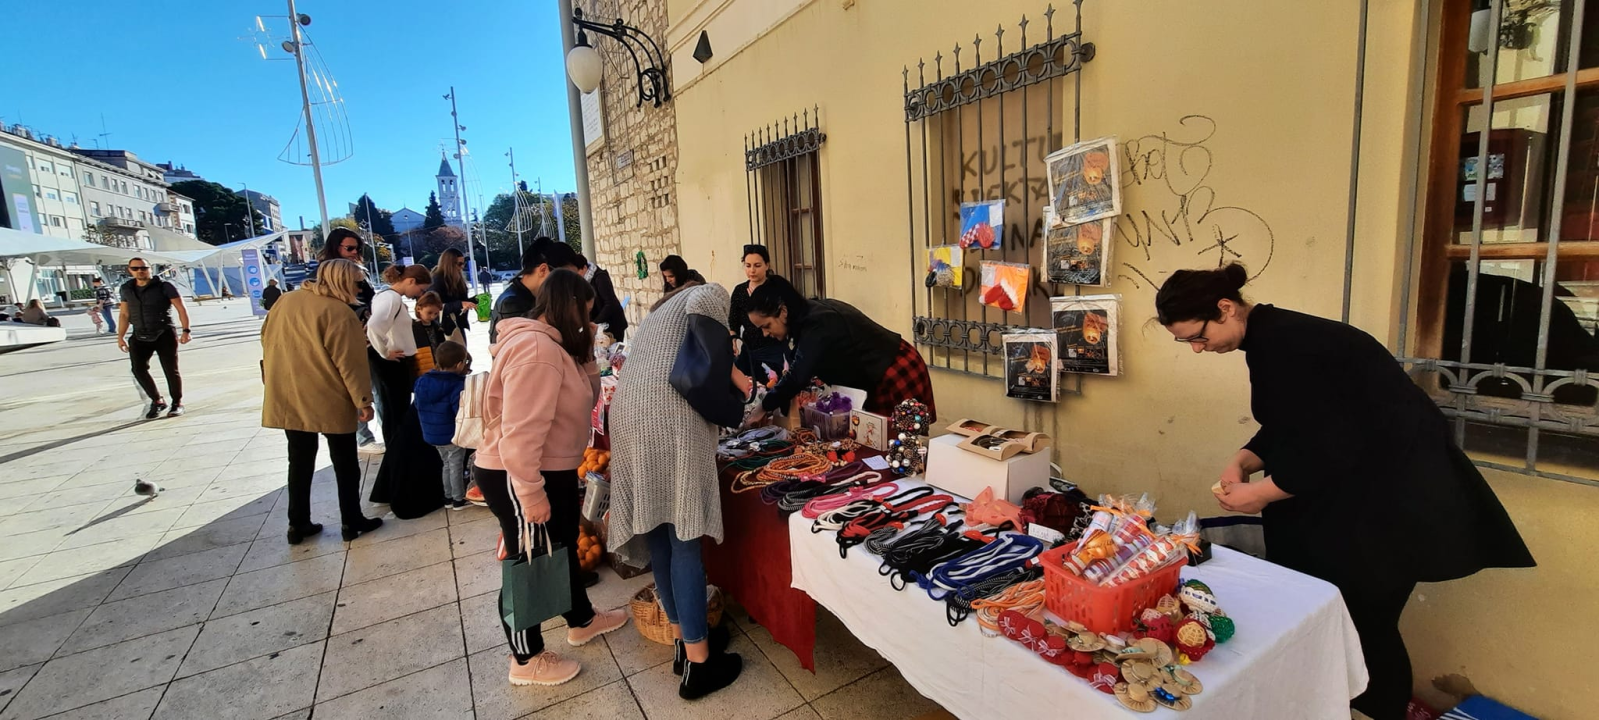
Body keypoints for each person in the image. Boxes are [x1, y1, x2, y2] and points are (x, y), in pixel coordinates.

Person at [1154, 263, 1535, 720]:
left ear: (1225, 308)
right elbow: (1296, 425)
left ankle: (1377, 711)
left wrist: (1262, 494)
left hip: (1392, 508)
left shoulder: (1291, 343)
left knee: (1367, 629)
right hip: (1362, 503)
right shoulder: (1272, 338)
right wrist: (1243, 459)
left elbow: (1338, 445)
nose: (1197, 348)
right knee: (1344, 622)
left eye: (1196, 336)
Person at [472, 269, 628, 686]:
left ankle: (580, 619)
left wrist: (586, 349)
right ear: (569, 307)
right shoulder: (536, 351)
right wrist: (530, 493)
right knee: (530, 560)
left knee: (557, 548)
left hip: (550, 466)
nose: (588, 321)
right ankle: (525, 659)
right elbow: (521, 433)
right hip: (521, 470)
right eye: (586, 312)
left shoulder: (556, 346)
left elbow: (587, 397)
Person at [609, 282, 746, 699]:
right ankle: (701, 666)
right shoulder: (708, 293)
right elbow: (711, 361)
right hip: (669, 421)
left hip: (629, 417)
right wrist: (740, 379)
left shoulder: (656, 318)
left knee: (660, 536)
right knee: (685, 538)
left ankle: (683, 644)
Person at [261, 258, 385, 544]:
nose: (361, 287)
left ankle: (297, 523)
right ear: (344, 281)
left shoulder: (286, 300)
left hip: (289, 391)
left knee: (299, 461)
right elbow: (350, 363)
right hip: (328, 393)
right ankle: (351, 521)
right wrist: (363, 401)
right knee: (344, 462)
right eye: (357, 282)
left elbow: (265, 338)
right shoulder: (339, 312)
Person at [747, 283, 936, 422]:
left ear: (783, 312)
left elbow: (798, 376)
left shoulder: (816, 322)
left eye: (767, 326)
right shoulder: (808, 315)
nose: (765, 333)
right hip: (881, 372)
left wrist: (763, 407)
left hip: (895, 371)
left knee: (898, 442)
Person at [366, 263, 446, 519]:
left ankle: (391, 483)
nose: (417, 295)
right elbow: (374, 327)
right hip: (393, 364)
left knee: (397, 421)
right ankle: (396, 482)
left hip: (396, 362)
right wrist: (384, 352)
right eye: (420, 288)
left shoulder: (388, 297)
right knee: (397, 423)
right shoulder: (390, 298)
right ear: (411, 281)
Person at [317, 228, 382, 451]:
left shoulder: (360, 275)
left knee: (373, 386)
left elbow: (370, 302)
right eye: (350, 248)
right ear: (336, 248)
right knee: (352, 388)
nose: (355, 252)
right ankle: (363, 438)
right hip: (345, 341)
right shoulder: (326, 277)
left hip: (368, 339)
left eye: (358, 248)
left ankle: (378, 433)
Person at [117, 258, 192, 419]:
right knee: (138, 369)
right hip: (139, 334)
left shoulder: (164, 286)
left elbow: (181, 308)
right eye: (135, 268)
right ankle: (157, 401)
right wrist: (120, 336)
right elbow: (124, 313)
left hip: (163, 332)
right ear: (129, 270)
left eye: (143, 268)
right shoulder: (126, 289)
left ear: (150, 269)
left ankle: (177, 403)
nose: (140, 271)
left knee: (170, 369)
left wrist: (186, 330)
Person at [489, 236, 584, 343]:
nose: (568, 288)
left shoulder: (533, 297)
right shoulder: (511, 304)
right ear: (543, 270)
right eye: (564, 280)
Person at [415, 340, 473, 510]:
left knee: (446, 464)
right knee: (455, 464)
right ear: (460, 364)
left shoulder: (422, 381)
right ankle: (458, 499)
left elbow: (418, 405)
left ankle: (448, 497)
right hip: (451, 433)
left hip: (431, 433)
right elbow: (459, 411)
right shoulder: (456, 385)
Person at [727, 245, 790, 384]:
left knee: (775, 387)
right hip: (748, 351)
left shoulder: (776, 288)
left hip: (774, 349)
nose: (752, 270)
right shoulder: (740, 291)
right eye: (748, 266)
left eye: (757, 265)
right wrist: (733, 340)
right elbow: (734, 321)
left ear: (767, 265)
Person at [579, 254, 629, 342]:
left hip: (613, 324)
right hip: (600, 326)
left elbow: (610, 303)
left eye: (577, 272)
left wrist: (595, 322)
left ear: (584, 268)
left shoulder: (600, 277)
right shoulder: (584, 282)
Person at [430, 248, 478, 341]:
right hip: (444, 327)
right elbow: (434, 306)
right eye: (459, 264)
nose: (462, 267)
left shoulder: (458, 279)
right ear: (449, 264)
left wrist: (475, 300)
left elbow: (461, 300)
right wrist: (460, 304)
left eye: (463, 263)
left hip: (457, 324)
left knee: (461, 353)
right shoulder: (437, 280)